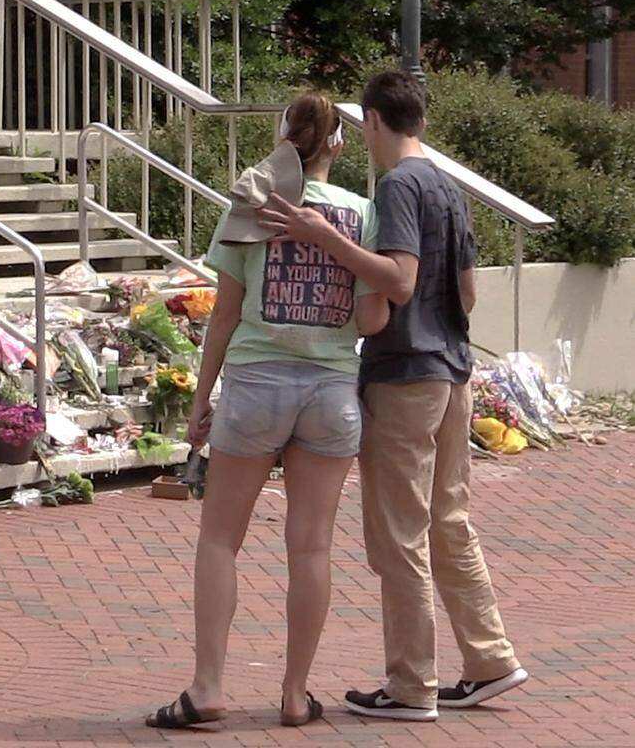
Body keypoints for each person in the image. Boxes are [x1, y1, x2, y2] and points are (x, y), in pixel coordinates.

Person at [257, 70, 528, 723]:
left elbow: (400, 282)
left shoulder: (401, 185)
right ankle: (490, 660)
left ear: (375, 121)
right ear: (422, 122)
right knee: (448, 522)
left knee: (399, 535)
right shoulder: (445, 184)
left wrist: (328, 239)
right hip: (453, 371)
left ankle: (412, 686)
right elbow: (466, 292)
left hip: (405, 374)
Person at [146, 92, 390, 731]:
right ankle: (294, 692)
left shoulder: (252, 204)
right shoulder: (362, 214)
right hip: (331, 391)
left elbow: (223, 312)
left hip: (255, 386)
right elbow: (370, 314)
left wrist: (201, 400)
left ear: (284, 139)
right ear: (338, 143)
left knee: (221, 539)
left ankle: (206, 688)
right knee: (311, 547)